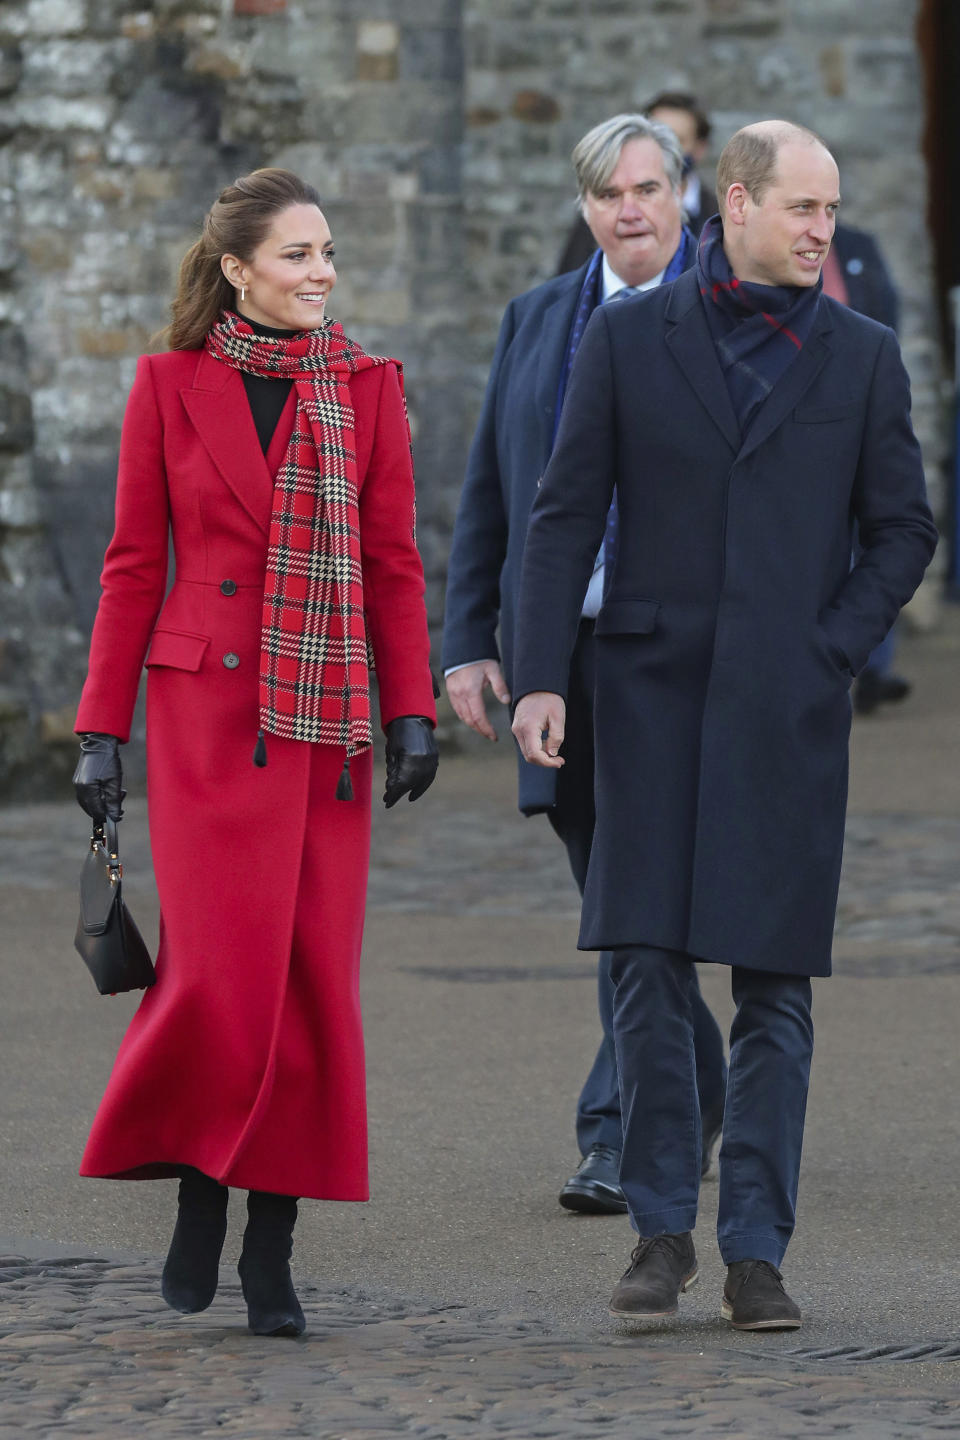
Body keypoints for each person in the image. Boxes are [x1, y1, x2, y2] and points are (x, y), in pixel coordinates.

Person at [512, 122, 937, 1329]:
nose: (824, 231)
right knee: (645, 974)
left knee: (776, 990)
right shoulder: (631, 338)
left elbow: (903, 527)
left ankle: (756, 1247)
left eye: (833, 207)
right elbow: (563, 510)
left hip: (784, 712)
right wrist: (542, 673)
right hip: (642, 701)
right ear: (736, 203)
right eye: (804, 208)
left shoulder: (861, 357)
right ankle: (659, 1234)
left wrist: (829, 646)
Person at [72, 168, 439, 1338]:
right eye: (298, 255)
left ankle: (272, 1246)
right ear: (237, 268)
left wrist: (410, 707)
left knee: (311, 988)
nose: (323, 272)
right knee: (219, 979)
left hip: (325, 723)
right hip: (204, 726)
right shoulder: (169, 387)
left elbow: (393, 560)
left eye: (329, 252)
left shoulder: (369, 388)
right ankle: (197, 1189)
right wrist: (99, 727)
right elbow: (134, 564)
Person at [442, 115, 727, 1218]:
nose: (631, 209)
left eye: (650, 187)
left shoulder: (726, 322)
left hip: (675, 661)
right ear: (585, 206)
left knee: (631, 908)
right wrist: (472, 637)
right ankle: (698, 1087)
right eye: (609, 192)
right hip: (558, 661)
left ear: (687, 195)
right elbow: (493, 497)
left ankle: (618, 1132)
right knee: (614, 901)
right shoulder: (536, 321)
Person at [823, 223, 914, 714]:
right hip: (811, 426)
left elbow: (888, 310)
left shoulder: (859, 245)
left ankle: (876, 667)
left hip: (864, 417)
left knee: (882, 536)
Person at [557, 92, 714, 274]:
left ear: (700, 148)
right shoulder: (603, 210)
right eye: (657, 135)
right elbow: (571, 276)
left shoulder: (719, 218)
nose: (664, 147)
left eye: (677, 140)